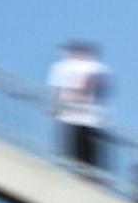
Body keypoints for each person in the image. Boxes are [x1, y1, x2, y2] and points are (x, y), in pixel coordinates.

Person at [48, 41, 112, 170]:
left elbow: (57, 91)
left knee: (81, 148)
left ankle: (81, 171)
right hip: (79, 116)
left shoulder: (65, 67)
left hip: (84, 116)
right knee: (81, 149)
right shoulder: (95, 67)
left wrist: (57, 106)